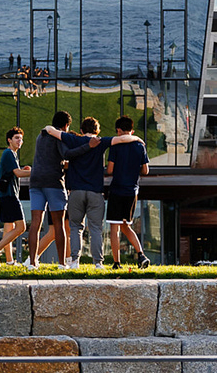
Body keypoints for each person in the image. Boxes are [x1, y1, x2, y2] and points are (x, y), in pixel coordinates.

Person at [33, 116, 140, 268]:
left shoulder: (73, 139)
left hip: (76, 192)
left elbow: (54, 132)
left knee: (76, 227)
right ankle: (98, 263)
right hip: (95, 192)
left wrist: (48, 127)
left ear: (82, 130)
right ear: (97, 131)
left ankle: (75, 261)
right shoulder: (100, 142)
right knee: (95, 228)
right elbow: (122, 140)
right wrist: (138, 139)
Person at [22, 110, 101, 270]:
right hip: (53, 182)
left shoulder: (40, 136)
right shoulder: (57, 136)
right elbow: (67, 154)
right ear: (66, 125)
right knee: (59, 224)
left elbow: (50, 157)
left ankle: (32, 263)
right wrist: (88, 146)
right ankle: (61, 263)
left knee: (36, 223)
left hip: (36, 181)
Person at [105, 115, 151, 270]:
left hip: (117, 188)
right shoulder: (140, 146)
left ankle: (117, 263)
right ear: (132, 130)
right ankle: (141, 254)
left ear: (118, 130)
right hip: (132, 190)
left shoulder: (116, 146)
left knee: (114, 227)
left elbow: (110, 169)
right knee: (126, 225)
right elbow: (145, 170)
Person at [0, 127, 31, 265]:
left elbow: (15, 172)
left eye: (21, 139)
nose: (20, 141)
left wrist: (23, 170)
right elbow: (18, 174)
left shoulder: (12, 155)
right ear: (9, 140)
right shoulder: (8, 153)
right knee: (21, 227)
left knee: (9, 227)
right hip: (10, 195)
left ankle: (9, 261)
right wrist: (37, 172)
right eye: (17, 138)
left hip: (5, 195)